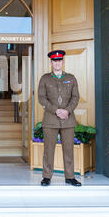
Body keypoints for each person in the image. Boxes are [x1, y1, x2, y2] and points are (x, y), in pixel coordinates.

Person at [38, 50, 81, 187]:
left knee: (68, 149)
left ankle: (70, 177)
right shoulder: (45, 78)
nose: (57, 63)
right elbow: (41, 98)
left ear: (62, 62)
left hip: (68, 119)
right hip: (50, 119)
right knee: (48, 150)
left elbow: (75, 97)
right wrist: (56, 110)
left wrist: (67, 111)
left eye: (59, 60)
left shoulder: (71, 78)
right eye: (54, 61)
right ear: (51, 63)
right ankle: (46, 177)